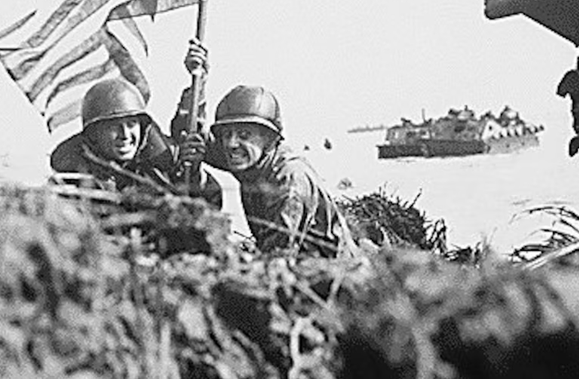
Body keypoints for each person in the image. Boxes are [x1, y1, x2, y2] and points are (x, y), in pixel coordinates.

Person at [178, 85, 356, 258]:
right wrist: (198, 87)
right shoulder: (249, 158)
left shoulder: (289, 180)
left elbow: (277, 257)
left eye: (244, 135)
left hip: (336, 274)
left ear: (269, 139)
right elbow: (189, 133)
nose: (231, 144)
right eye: (226, 134)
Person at [49, 41, 222, 209]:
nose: (125, 134)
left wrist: (193, 173)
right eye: (113, 127)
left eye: (131, 124)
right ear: (94, 134)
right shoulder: (72, 179)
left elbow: (211, 203)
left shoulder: (162, 165)